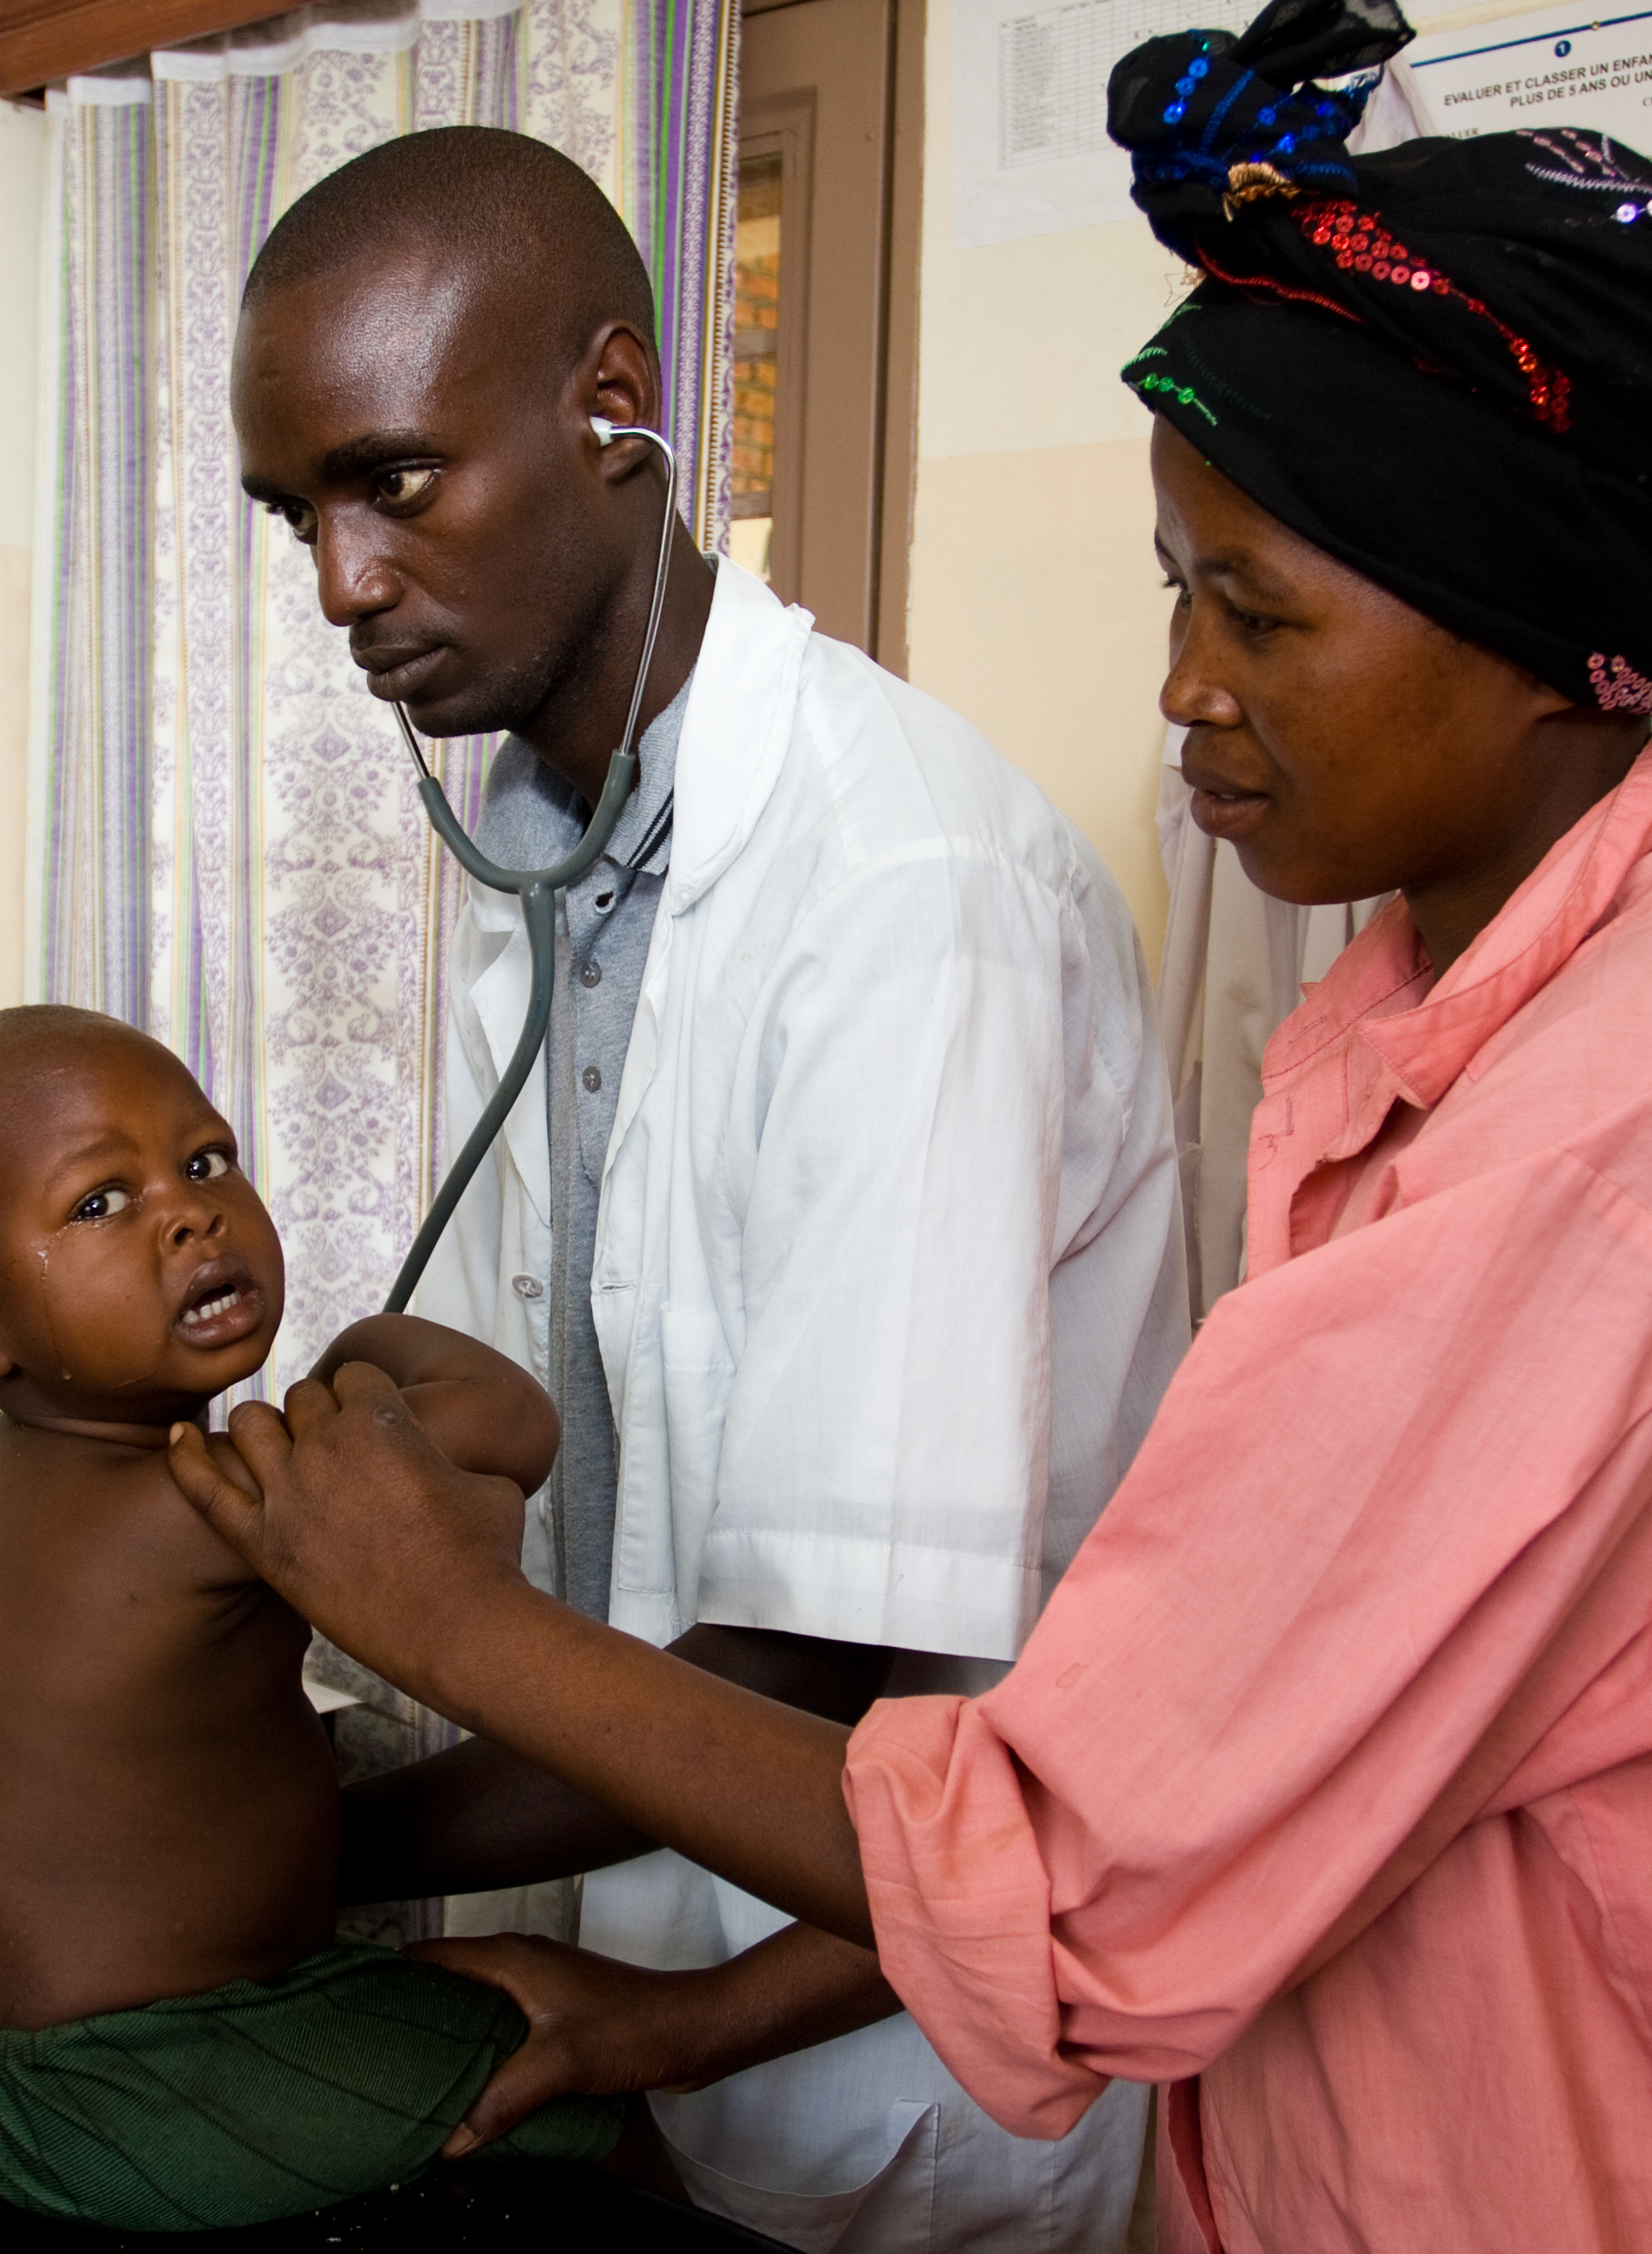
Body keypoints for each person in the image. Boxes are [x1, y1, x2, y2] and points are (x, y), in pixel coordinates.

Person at [163, 5, 1652, 2247]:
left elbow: (1071, 1854)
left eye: (1258, 611)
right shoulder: (1433, 1012)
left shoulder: (1627, 1119)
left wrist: (414, 1643)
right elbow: (1236, 1762)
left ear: (1544, 634)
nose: (1179, 688)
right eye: (1177, 587)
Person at [229, 127, 1185, 2248]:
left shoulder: (902, 882)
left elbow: (815, 1671)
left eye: (393, 480)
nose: (338, 586)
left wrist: (258, 1849)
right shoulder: (554, 845)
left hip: (902, 2081)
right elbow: (542, 1450)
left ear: (612, 403)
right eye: (294, 510)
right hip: (652, 2000)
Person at [0, 1006, 631, 2230]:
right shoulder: (199, 1507)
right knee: (615, 2097)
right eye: (99, 1204)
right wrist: (363, 1347)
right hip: (152, 2082)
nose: (190, 1213)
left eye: (204, 1161)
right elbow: (507, 1419)